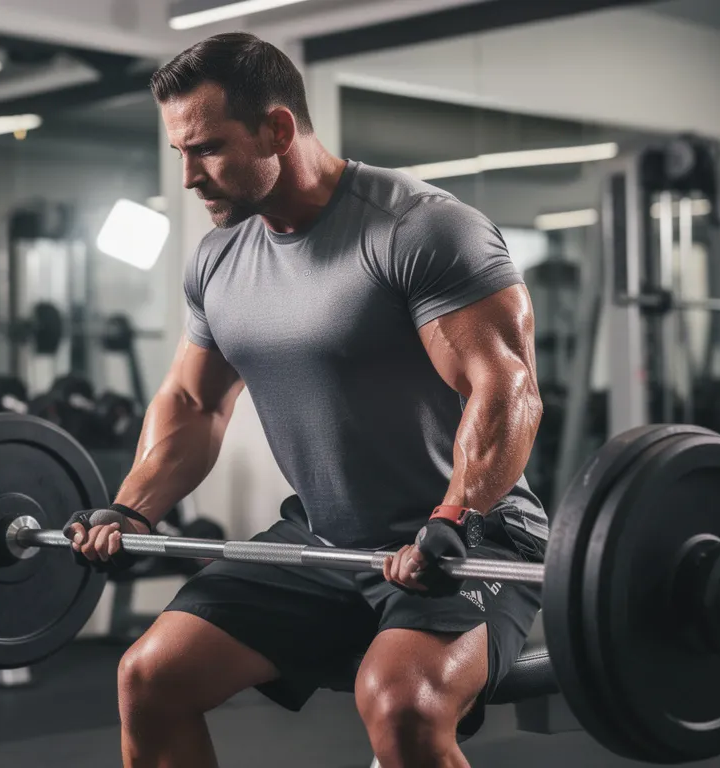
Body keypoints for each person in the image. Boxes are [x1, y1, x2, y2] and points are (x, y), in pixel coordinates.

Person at [64, 32, 547, 768]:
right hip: (324, 537)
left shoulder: (419, 229)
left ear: (279, 129)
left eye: (208, 149)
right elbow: (194, 404)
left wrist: (455, 517)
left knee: (403, 708)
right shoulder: (220, 259)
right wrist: (132, 508)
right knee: (150, 678)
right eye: (180, 154)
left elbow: (506, 388)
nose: (190, 176)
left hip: (469, 537)